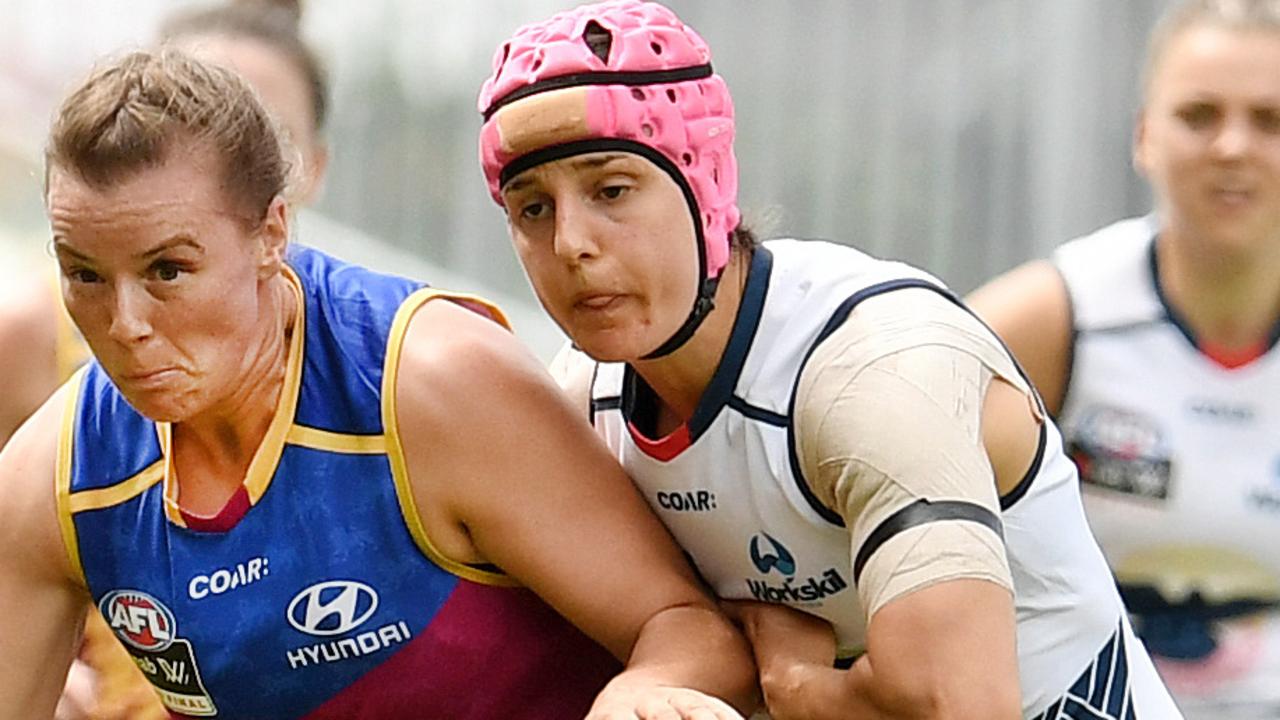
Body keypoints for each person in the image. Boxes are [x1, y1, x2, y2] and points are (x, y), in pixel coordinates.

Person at [0, 48, 758, 719]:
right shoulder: (55, 479)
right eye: (86, 275)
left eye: (169, 270)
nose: (125, 323)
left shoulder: (433, 382)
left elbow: (691, 630)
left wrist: (639, 697)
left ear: (272, 233)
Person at [476, 2, 1185, 718]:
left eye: (611, 190)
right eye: (532, 208)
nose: (571, 243)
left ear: (706, 185)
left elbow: (965, 705)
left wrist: (795, 687)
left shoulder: (874, 365)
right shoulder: (582, 401)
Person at [967, 1, 1280, 717]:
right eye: (1200, 115)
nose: (1233, 146)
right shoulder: (1051, 320)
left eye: (1271, 120)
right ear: (1145, 136)